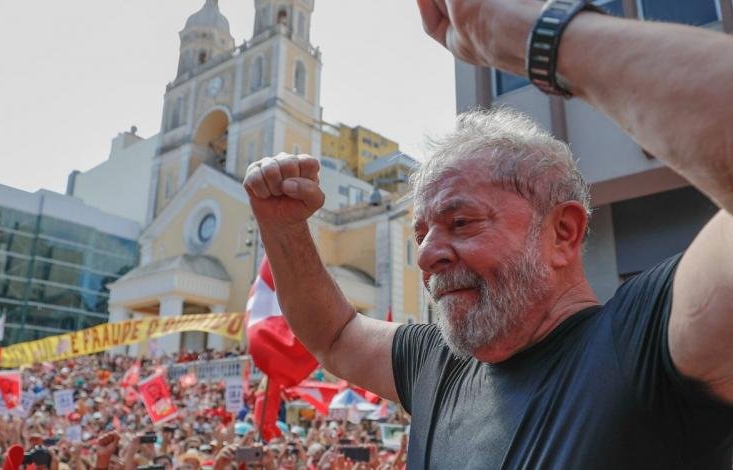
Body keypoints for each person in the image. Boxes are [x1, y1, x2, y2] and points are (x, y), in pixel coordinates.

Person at [243, 0, 733, 467]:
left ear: (562, 232)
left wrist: (537, 36)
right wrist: (283, 228)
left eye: (461, 223)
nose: (428, 254)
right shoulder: (437, 365)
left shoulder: (644, 342)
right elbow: (335, 335)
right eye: (421, 233)